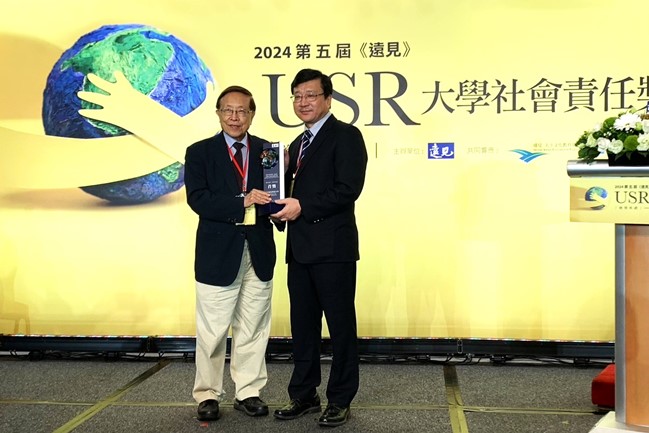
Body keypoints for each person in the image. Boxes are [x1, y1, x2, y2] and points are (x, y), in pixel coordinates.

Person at [271, 69, 368, 427]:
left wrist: (302, 207)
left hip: (333, 250)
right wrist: (277, 203)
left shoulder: (346, 136)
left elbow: (348, 189)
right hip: (299, 250)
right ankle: (304, 394)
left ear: (328, 99)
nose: (303, 102)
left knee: (340, 328)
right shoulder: (296, 144)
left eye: (310, 95)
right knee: (303, 327)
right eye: (297, 96)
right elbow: (291, 193)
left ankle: (340, 399)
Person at [184, 85, 281, 422]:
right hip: (217, 253)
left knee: (253, 327)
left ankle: (248, 391)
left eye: (242, 111)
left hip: (259, 251)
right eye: (228, 110)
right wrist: (243, 201)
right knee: (212, 331)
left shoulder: (268, 152)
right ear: (218, 113)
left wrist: (281, 203)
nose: (235, 117)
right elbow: (198, 199)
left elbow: (275, 198)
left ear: (252, 114)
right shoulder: (200, 152)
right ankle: (208, 394)